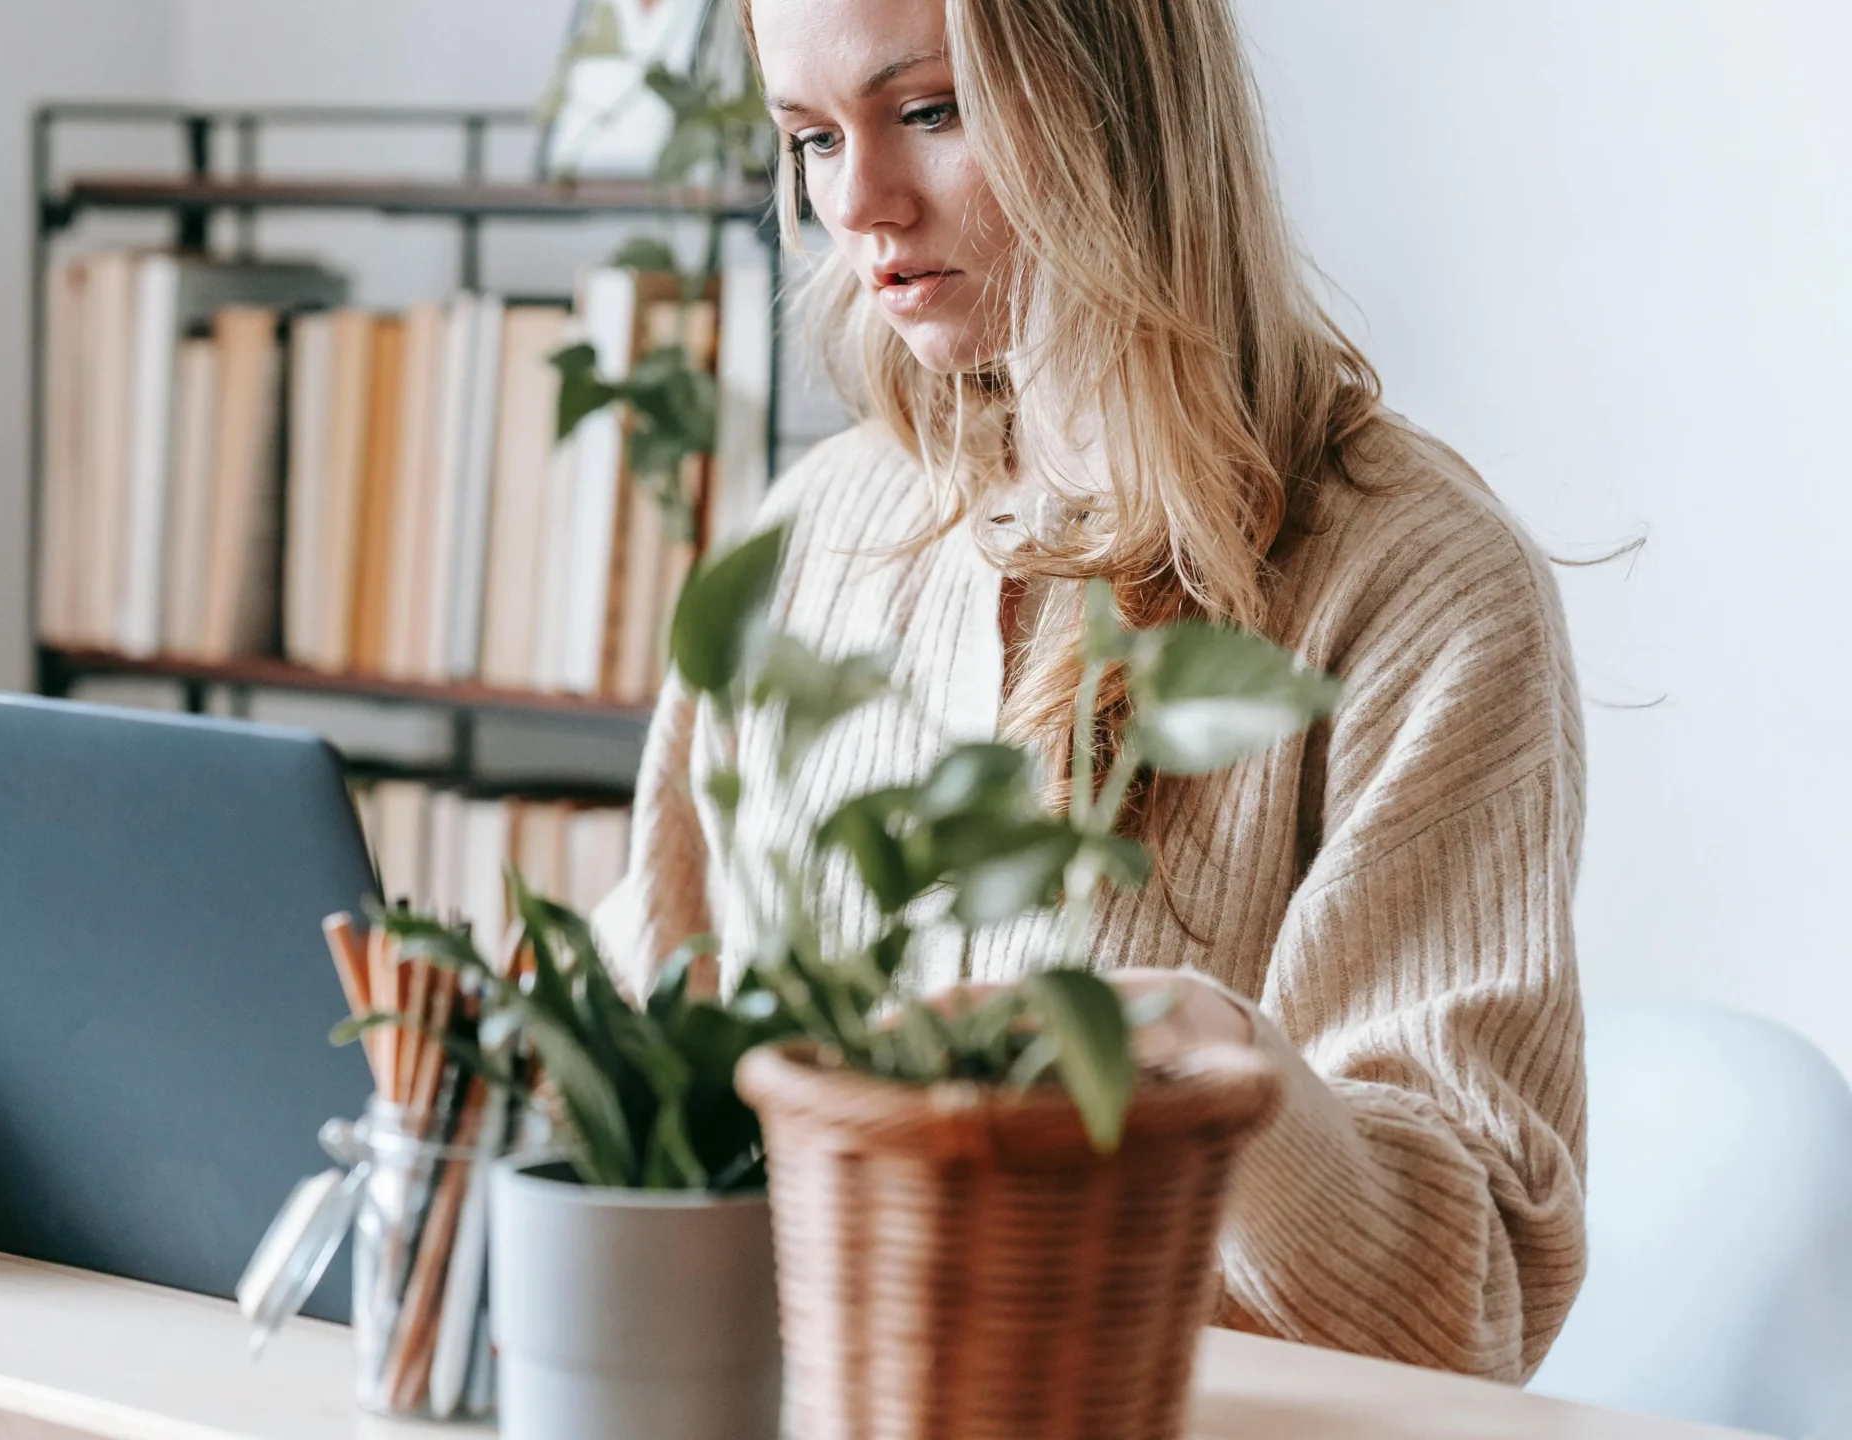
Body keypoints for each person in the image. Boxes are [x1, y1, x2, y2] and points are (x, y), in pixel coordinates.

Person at [594, 0, 1585, 1385]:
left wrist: (1208, 1056)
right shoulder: (811, 534)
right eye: (811, 139)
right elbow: (652, 1038)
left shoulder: (1415, 588)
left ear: (1112, 96)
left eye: (928, 112)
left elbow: (1461, 1299)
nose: (857, 204)